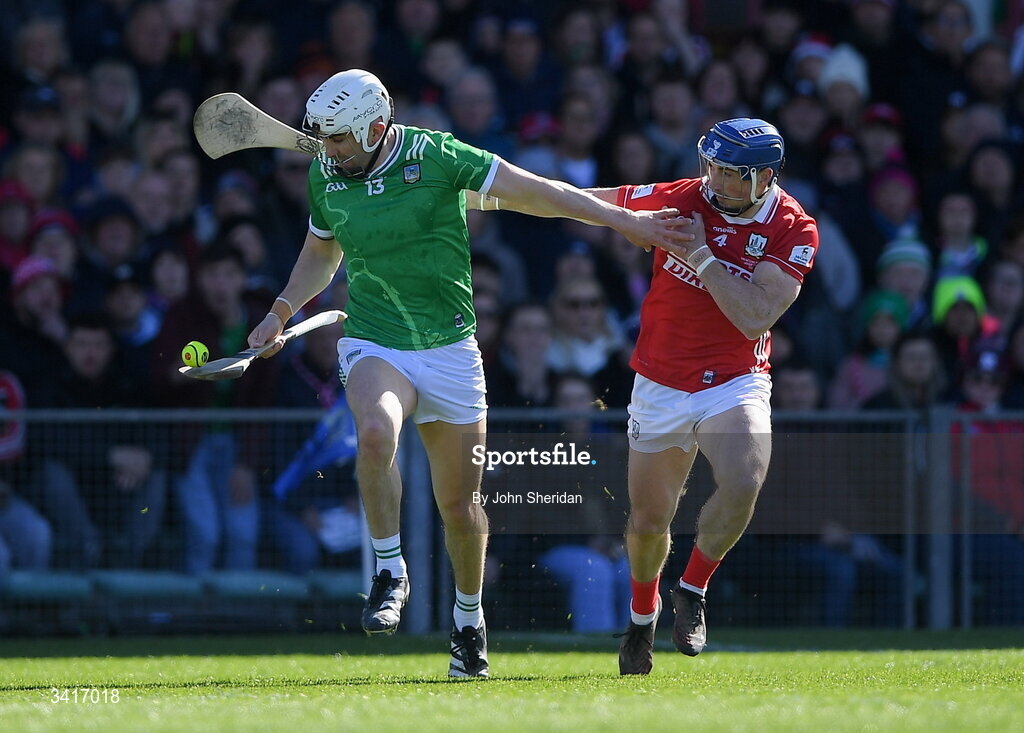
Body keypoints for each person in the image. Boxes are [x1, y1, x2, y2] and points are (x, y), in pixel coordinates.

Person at [245, 69, 690, 679]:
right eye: (322, 140)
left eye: (341, 140)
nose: (327, 152)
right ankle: (387, 569)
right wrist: (278, 312)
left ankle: (468, 619)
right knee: (375, 432)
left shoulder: (440, 157)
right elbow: (321, 255)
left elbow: (542, 192)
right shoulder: (328, 172)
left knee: (460, 507)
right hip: (377, 338)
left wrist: (629, 222)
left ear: (377, 128)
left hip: (451, 350)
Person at [497, 118, 818, 674]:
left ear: (763, 177)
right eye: (711, 164)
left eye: (729, 172)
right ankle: (641, 621)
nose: (713, 179)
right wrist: (487, 195)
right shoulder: (681, 198)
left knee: (744, 479)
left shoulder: (795, 229)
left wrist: (702, 258)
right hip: (661, 383)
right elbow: (575, 201)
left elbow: (754, 317)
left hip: (735, 377)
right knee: (648, 523)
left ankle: (692, 588)